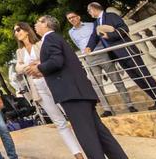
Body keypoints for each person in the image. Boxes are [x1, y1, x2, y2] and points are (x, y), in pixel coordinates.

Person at [25, 15, 128, 159]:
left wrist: (40, 68)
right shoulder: (55, 38)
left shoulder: (50, 39)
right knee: (100, 133)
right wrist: (42, 70)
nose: (35, 25)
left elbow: (56, 61)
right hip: (79, 92)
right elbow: (63, 66)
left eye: (38, 22)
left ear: (46, 24)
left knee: (86, 136)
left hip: (72, 94)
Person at [13, 22, 83, 159]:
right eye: (14, 31)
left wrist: (37, 65)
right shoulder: (19, 52)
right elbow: (18, 69)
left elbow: (48, 60)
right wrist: (32, 65)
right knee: (59, 122)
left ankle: (89, 147)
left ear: (27, 30)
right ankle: (78, 154)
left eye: (18, 29)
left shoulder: (40, 44)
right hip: (38, 89)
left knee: (73, 117)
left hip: (53, 83)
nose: (16, 32)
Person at [85, 2, 156, 110]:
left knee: (144, 75)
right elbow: (94, 37)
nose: (89, 13)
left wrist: (110, 35)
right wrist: (89, 47)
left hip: (128, 51)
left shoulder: (111, 16)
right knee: (137, 78)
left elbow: (124, 28)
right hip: (117, 55)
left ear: (93, 9)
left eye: (89, 11)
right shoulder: (96, 23)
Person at [65, 11, 136, 116]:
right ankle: (108, 110)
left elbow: (99, 37)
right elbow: (78, 44)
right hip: (89, 59)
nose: (72, 19)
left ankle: (130, 105)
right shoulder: (71, 32)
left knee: (117, 80)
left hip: (102, 54)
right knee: (97, 86)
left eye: (73, 17)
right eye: (69, 19)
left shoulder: (92, 25)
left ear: (78, 17)